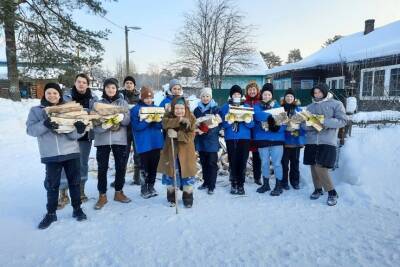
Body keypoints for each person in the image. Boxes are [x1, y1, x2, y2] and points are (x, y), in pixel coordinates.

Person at [26, 82, 87, 229]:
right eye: (49, 93)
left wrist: (80, 129)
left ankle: (77, 209)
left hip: (71, 151)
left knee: (74, 182)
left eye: (55, 93)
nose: (52, 95)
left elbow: (75, 135)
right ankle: (51, 214)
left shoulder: (69, 109)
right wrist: (45, 124)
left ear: (60, 94)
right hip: (51, 154)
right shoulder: (36, 111)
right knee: (52, 185)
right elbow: (31, 130)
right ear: (44, 94)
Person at [303, 83, 347, 206]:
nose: (317, 95)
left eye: (319, 92)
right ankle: (317, 189)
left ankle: (332, 192)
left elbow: (343, 121)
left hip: (327, 141)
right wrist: (311, 124)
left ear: (325, 92)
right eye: (315, 93)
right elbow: (303, 125)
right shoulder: (309, 107)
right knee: (313, 166)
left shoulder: (336, 104)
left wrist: (323, 121)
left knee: (320, 167)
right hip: (312, 141)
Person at [58, 73, 98, 209]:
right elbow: (59, 113)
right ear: (75, 83)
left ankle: (81, 191)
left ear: (88, 85)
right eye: (79, 82)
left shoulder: (93, 98)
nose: (81, 84)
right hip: (68, 136)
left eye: (84, 82)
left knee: (82, 164)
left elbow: (97, 115)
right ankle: (63, 193)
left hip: (85, 137)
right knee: (65, 163)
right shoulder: (66, 98)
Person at [93, 78, 132, 210]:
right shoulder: (97, 104)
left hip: (119, 140)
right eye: (108, 87)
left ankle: (118, 192)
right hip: (102, 141)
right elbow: (94, 124)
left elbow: (127, 121)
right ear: (104, 89)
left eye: (113, 88)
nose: (111, 90)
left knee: (121, 166)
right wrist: (104, 125)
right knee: (102, 168)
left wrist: (122, 118)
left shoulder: (123, 103)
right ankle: (102, 195)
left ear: (117, 89)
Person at [158, 97, 197, 208]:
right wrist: (177, 121)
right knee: (171, 172)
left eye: (182, 108)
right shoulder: (168, 116)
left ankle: (188, 197)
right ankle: (172, 197)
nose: (179, 111)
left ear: (185, 108)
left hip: (186, 151)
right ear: (173, 108)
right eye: (177, 108)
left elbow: (191, 136)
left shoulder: (191, 118)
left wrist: (177, 135)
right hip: (171, 150)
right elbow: (164, 123)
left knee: (187, 174)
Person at [219, 85, 254, 195]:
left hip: (244, 138)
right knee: (233, 161)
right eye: (234, 94)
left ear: (241, 95)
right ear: (231, 95)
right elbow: (222, 124)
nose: (236, 96)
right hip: (231, 137)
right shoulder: (225, 107)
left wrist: (247, 121)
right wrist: (228, 122)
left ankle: (241, 184)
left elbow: (252, 125)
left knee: (242, 161)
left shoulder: (247, 106)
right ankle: (233, 183)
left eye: (238, 94)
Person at [131, 86, 164, 198]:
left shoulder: (156, 108)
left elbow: (161, 124)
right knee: (144, 167)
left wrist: (156, 122)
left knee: (153, 167)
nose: (148, 100)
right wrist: (147, 122)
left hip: (156, 142)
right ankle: (144, 188)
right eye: (146, 98)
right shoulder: (136, 109)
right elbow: (136, 127)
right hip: (144, 143)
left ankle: (151, 185)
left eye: (150, 97)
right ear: (142, 98)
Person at [253, 83, 286, 196]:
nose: (266, 96)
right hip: (262, 139)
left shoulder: (278, 106)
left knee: (277, 163)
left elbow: (284, 123)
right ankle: (266, 184)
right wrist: (272, 117)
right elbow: (257, 115)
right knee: (264, 163)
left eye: (269, 94)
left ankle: (278, 186)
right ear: (261, 95)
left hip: (277, 140)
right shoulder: (257, 106)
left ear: (272, 95)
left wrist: (277, 127)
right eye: (264, 94)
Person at [112, 75, 141, 186]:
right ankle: (120, 179)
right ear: (124, 85)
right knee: (123, 154)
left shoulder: (139, 97)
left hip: (136, 128)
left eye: (131, 83)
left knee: (138, 154)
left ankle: (137, 177)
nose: (129, 84)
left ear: (134, 85)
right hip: (123, 129)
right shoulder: (119, 96)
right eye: (127, 83)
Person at [193, 87, 221, 195]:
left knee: (212, 163)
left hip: (212, 141)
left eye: (207, 96)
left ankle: (211, 185)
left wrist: (205, 131)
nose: (205, 98)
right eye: (203, 96)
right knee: (204, 162)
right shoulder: (196, 110)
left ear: (211, 97)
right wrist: (196, 129)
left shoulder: (215, 109)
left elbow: (218, 126)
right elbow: (194, 123)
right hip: (201, 141)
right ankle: (205, 182)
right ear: (200, 97)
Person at [281, 89, 305, 190]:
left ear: (294, 98)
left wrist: (297, 131)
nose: (289, 98)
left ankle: (295, 181)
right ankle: (284, 182)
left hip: (295, 142)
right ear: (285, 98)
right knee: (284, 164)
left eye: (291, 96)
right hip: (284, 142)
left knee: (295, 163)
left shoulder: (299, 110)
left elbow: (304, 126)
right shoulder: (281, 110)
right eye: (287, 96)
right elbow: (277, 125)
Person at [244, 81, 262, 185]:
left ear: (257, 91)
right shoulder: (243, 102)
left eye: (254, 89)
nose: (252, 91)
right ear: (247, 91)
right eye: (250, 89)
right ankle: (242, 176)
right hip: (246, 133)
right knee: (244, 156)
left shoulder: (260, 102)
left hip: (257, 133)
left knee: (257, 157)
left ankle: (257, 177)